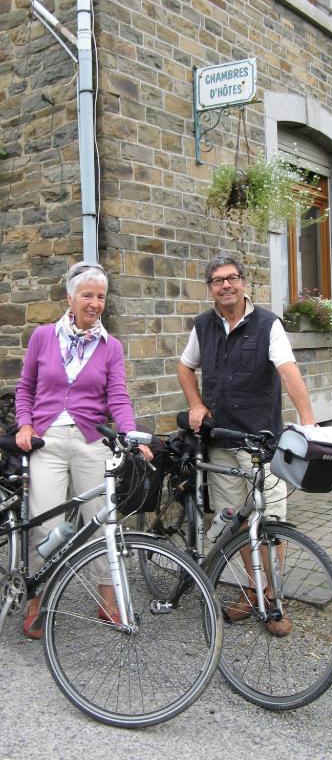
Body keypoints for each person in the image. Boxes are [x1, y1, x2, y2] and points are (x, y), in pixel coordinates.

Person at [177, 255, 316, 637]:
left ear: (244, 282)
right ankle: (254, 591)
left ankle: (274, 599)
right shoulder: (203, 325)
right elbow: (185, 366)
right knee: (237, 521)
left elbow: (288, 371)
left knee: (269, 522)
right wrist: (195, 404)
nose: (226, 285)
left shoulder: (268, 324)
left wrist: (308, 423)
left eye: (232, 278)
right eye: (218, 280)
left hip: (261, 442)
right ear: (210, 287)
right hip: (221, 440)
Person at [15, 261, 154, 638]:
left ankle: (107, 600)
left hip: (92, 441)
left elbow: (119, 397)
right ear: (70, 298)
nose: (94, 303)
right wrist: (25, 423)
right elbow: (25, 388)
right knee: (46, 523)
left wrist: (130, 435)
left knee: (101, 520)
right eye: (87, 295)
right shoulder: (43, 336)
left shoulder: (111, 346)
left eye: (101, 297)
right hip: (46, 441)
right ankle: (37, 598)